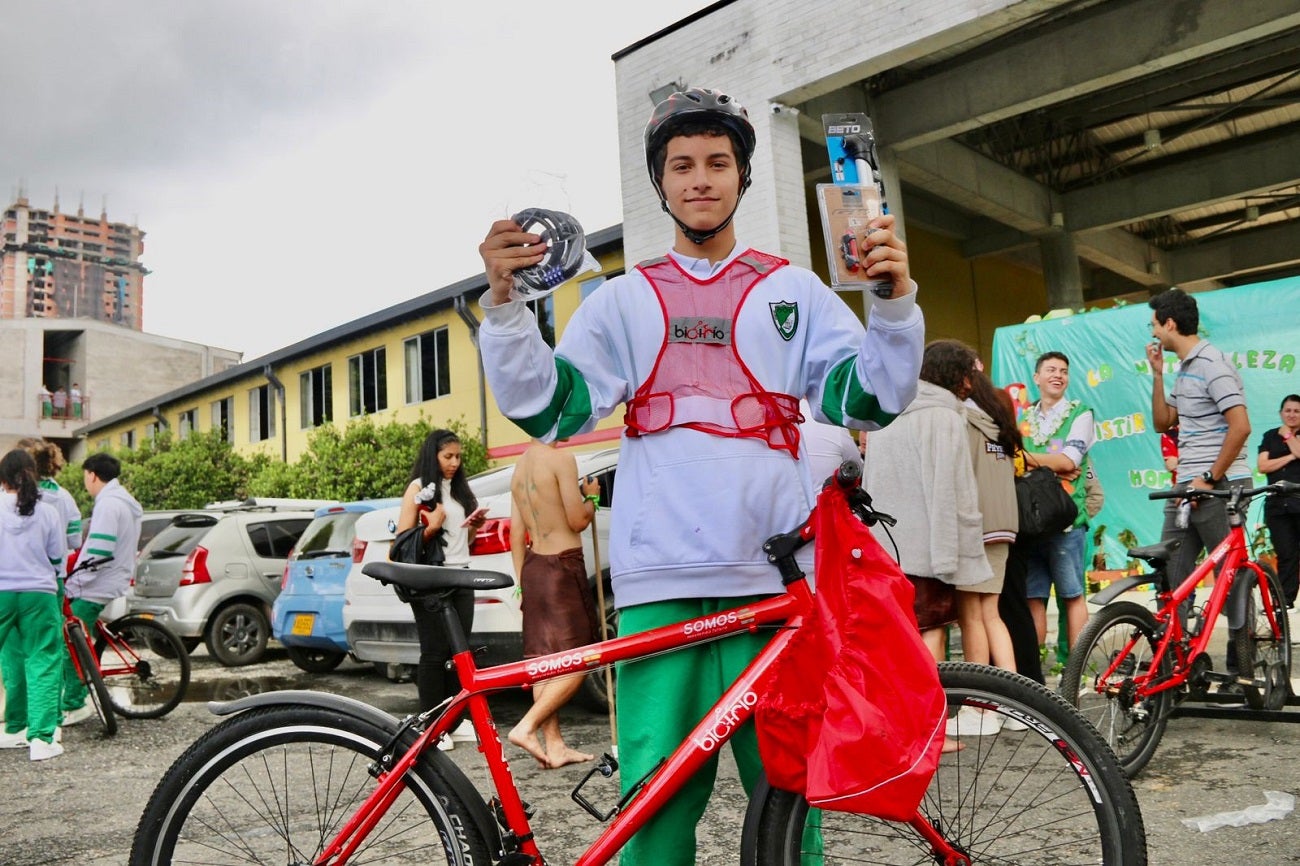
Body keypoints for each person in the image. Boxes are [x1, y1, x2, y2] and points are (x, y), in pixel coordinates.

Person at [476, 87, 924, 865]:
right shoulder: (622, 300)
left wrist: (892, 305)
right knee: (655, 812)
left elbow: (868, 401)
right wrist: (508, 309)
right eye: (681, 165)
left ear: (743, 178)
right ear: (661, 183)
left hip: (775, 584)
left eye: (719, 162)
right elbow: (553, 411)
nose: (701, 179)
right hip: (660, 586)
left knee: (790, 809)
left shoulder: (797, 291)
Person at [1147, 287, 1252, 682]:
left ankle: (1243, 669)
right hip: (1185, 488)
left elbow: (1240, 426)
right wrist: (1157, 375)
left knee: (1231, 578)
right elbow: (1164, 422)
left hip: (1218, 486)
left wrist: (1210, 478)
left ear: (1169, 324)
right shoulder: (1183, 367)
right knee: (1173, 579)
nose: (1153, 332)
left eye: (1155, 324)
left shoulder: (1213, 364)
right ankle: (1178, 668)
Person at [507, 440, 602, 768]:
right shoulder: (562, 459)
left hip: (533, 569)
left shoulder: (519, 467)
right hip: (562, 566)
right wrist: (592, 497)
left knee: (545, 660)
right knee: (580, 657)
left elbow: (515, 535)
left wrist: (523, 583)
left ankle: (555, 746)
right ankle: (528, 726)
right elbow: (577, 521)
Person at [395, 428, 486, 750]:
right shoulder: (418, 489)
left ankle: (454, 721)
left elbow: (464, 544)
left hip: (461, 577)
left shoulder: (459, 491)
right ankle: (431, 725)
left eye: (458, 457)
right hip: (432, 581)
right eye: (448, 456)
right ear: (433, 455)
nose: (454, 463)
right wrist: (431, 527)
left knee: (459, 653)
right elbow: (403, 542)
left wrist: (472, 529)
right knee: (434, 653)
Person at [1, 439, 83, 738]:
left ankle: (14, 727)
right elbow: (58, 557)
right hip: (40, 592)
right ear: (32, 474)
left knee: (11, 658)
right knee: (43, 660)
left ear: (2, 479)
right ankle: (41, 738)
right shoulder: (49, 510)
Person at [1019, 351, 1095, 666]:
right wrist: (1053, 465)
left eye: (1064, 370)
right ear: (1036, 378)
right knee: (1033, 597)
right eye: (1050, 369)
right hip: (1029, 522)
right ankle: (1035, 668)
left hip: (1066, 520)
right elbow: (1008, 459)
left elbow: (1070, 461)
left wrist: (1025, 460)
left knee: (1072, 594)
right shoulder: (1021, 418)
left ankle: (1076, 668)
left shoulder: (1081, 413)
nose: (1058, 375)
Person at [64, 453, 142, 726]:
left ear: (92, 475)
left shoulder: (109, 504)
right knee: (83, 636)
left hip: (97, 584)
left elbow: (99, 549)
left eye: (85, 476)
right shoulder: (123, 501)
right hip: (113, 578)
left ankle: (74, 703)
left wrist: (75, 579)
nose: (85, 482)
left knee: (69, 641)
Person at [1256, 394, 1300, 626]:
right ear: (1281, 412)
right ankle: (1285, 601)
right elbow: (1263, 465)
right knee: (1286, 554)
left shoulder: (1288, 435)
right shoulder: (1269, 436)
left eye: (1297, 411)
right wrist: (1291, 455)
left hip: (1299, 499)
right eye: (1288, 410)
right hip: (1277, 504)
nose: (1292, 414)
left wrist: (1289, 437)